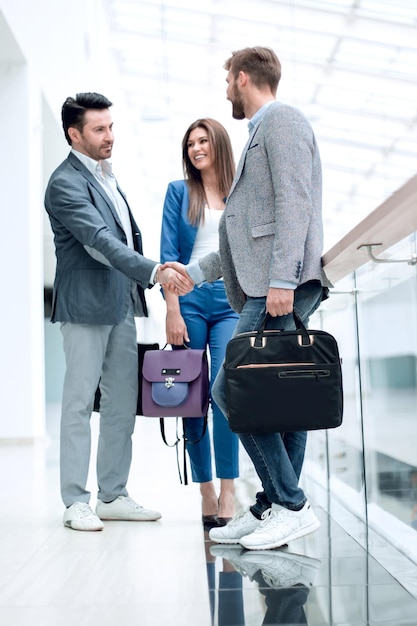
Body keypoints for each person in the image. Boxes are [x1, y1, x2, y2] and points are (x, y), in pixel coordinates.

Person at [165, 46, 332, 550]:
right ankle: (271, 508)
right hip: (268, 284)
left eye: (226, 82)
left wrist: (283, 279)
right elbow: (243, 236)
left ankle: (292, 505)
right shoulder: (259, 132)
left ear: (241, 78)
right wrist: (193, 274)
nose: (225, 92)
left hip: (279, 287)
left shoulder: (280, 121)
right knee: (278, 398)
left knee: (233, 391)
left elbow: (295, 202)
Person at [44, 92, 193, 532]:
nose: (110, 136)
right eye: (99, 129)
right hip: (85, 306)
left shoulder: (107, 175)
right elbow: (99, 242)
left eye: (110, 127)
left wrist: (141, 285)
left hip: (121, 305)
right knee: (77, 404)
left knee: (121, 404)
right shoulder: (65, 182)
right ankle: (75, 500)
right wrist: (155, 273)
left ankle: (113, 494)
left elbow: (126, 235)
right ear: (75, 134)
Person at [160, 119, 240, 527]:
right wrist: (172, 310)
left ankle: (229, 490)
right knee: (192, 398)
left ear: (218, 144)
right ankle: (205, 489)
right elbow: (168, 256)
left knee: (225, 391)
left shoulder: (238, 190)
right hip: (189, 300)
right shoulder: (179, 192)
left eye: (203, 140)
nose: (196, 148)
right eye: (190, 143)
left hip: (230, 299)